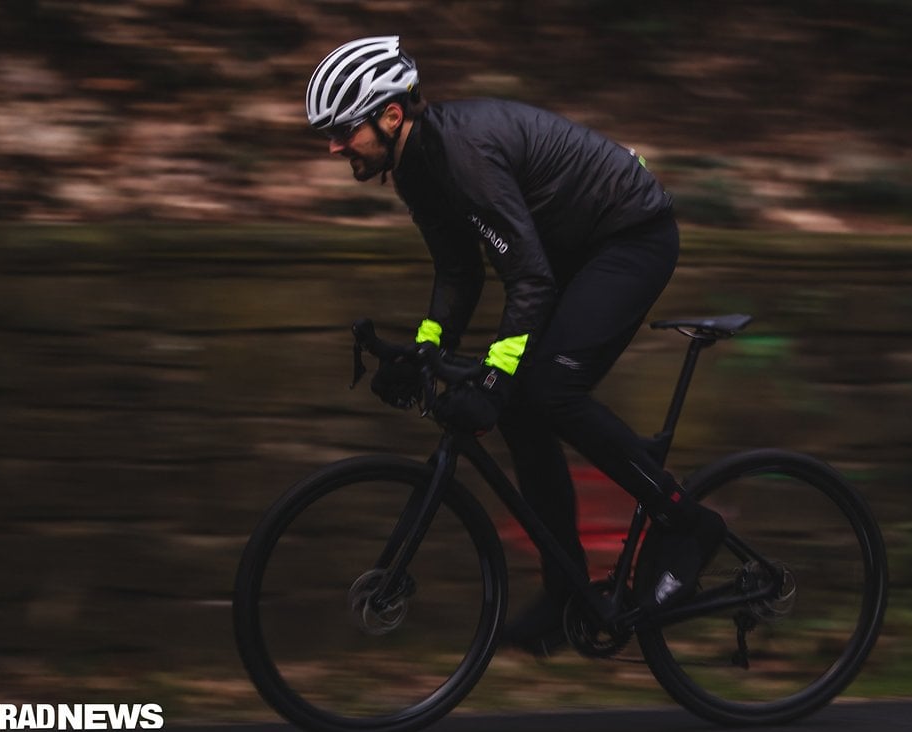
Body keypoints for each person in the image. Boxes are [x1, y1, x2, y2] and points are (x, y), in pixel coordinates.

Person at [306, 35, 727, 655]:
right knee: (523, 411)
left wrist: (496, 379)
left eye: (343, 131)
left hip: (630, 237)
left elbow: (527, 277)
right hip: (570, 251)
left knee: (549, 391)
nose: (335, 146)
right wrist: (423, 350)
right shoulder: (416, 170)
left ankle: (689, 525)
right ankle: (565, 595)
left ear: (391, 115)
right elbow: (459, 272)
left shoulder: (462, 156)